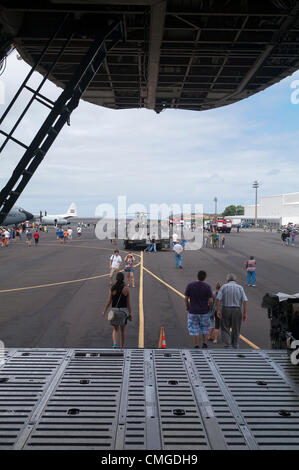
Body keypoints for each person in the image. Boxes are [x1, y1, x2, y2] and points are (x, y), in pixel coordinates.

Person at [216, 273, 248, 349]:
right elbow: (245, 300)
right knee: (236, 328)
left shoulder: (224, 287)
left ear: (227, 280)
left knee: (225, 327)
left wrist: (218, 310)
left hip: (226, 309)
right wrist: (244, 313)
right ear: (235, 280)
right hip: (237, 309)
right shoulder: (240, 287)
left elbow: (218, 299)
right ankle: (235, 345)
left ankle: (228, 344)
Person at [102, 272, 132, 348]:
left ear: (116, 278)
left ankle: (115, 344)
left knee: (115, 330)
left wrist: (104, 311)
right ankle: (122, 346)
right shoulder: (126, 288)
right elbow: (128, 303)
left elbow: (109, 301)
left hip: (114, 311)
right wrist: (130, 313)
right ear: (123, 279)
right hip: (123, 312)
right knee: (123, 331)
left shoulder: (112, 288)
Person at [184, 271, 214, 348]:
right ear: (205, 277)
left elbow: (186, 298)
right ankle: (204, 343)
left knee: (194, 328)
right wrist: (210, 308)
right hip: (204, 311)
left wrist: (187, 306)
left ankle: (196, 345)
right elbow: (211, 300)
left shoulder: (190, 285)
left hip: (193, 311)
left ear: (197, 276)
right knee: (205, 327)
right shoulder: (207, 287)